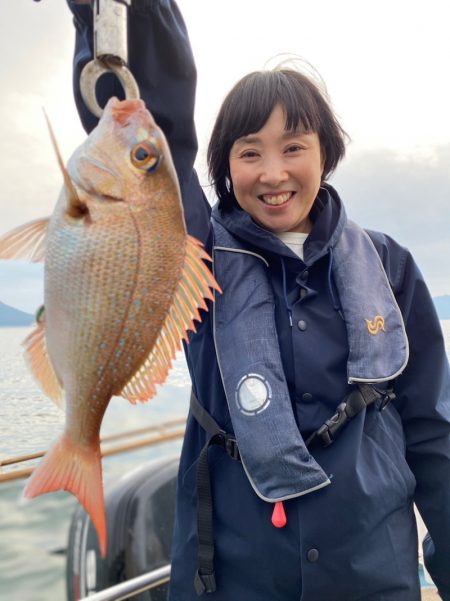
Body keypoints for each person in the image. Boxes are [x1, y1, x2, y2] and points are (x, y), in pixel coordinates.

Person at [67, 1, 450, 600]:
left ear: (326, 151)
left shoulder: (390, 265)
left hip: (372, 574)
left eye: (293, 147)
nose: (273, 173)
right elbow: (145, 121)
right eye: (249, 152)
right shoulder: (192, 249)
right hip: (230, 577)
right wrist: (123, 12)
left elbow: (432, 436)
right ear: (224, 168)